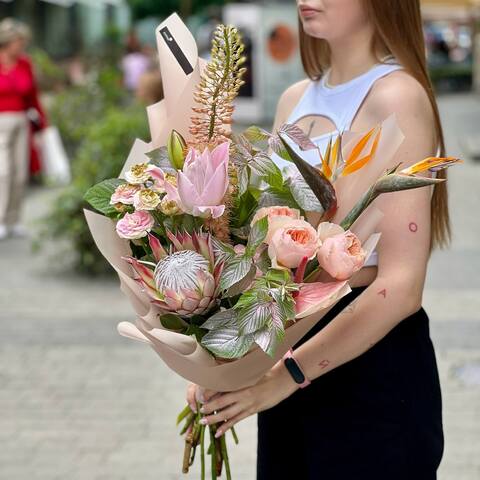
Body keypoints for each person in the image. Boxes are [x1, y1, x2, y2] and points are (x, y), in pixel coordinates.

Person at [186, 1, 448, 478]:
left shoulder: (398, 96)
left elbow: (402, 286)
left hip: (370, 370)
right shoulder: (293, 99)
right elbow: (261, 250)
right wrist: (220, 362)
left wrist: (287, 375)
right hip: (288, 355)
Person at [0, 18, 47, 240]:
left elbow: (33, 96)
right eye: (19, 41)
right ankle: (0, 220)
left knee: (19, 173)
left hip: (21, 121)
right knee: (3, 172)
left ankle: (14, 220)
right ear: (8, 42)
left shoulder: (24, 63)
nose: (22, 45)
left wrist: (43, 125)